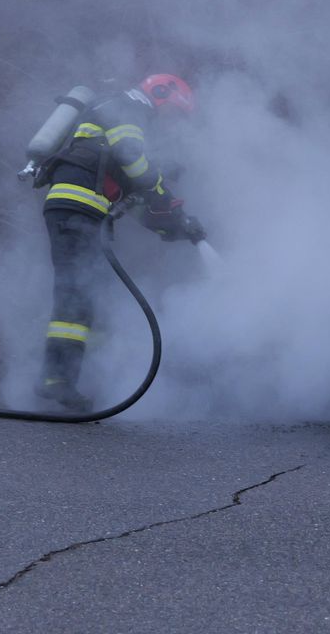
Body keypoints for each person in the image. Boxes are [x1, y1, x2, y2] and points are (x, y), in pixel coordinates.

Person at [35, 73, 205, 411]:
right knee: (76, 291)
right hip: (77, 207)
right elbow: (135, 163)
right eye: (173, 111)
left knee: (92, 291)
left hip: (83, 211)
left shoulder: (118, 113)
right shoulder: (128, 108)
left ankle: (84, 374)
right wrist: (158, 180)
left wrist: (177, 226)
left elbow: (138, 201)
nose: (170, 121)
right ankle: (56, 379)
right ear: (160, 93)